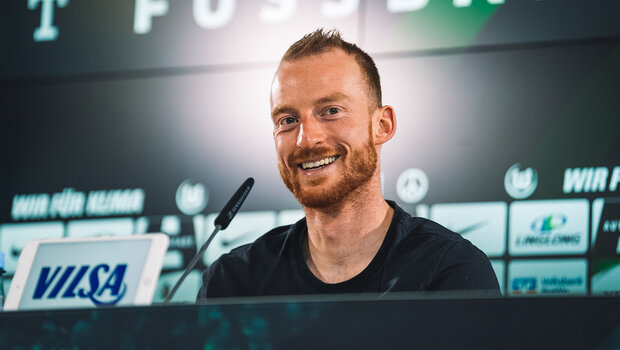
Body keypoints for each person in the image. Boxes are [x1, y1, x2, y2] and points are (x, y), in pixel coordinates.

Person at [197, 29, 499, 299]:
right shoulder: (232, 284)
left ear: (382, 125)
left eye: (330, 111)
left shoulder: (448, 271)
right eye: (288, 120)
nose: (306, 139)